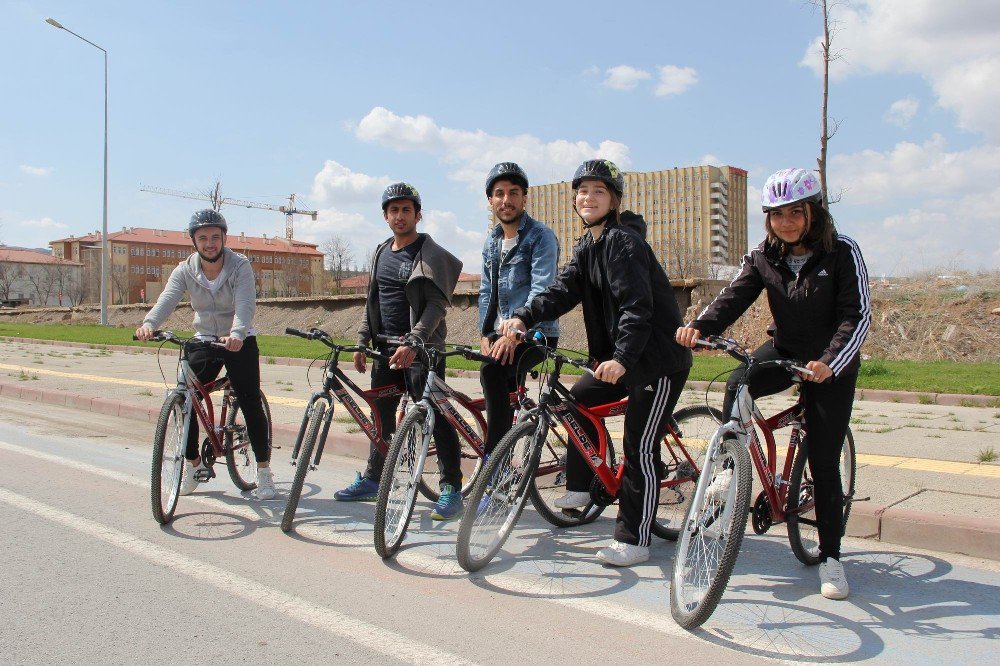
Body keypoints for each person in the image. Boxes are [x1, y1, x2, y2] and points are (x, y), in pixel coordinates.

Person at [675, 167, 871, 600]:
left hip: (831, 363)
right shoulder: (764, 254)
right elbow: (734, 295)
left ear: (813, 212)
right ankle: (730, 469)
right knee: (739, 382)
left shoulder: (842, 251)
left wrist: (829, 362)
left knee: (822, 459)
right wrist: (700, 326)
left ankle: (832, 558)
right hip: (785, 349)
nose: (786, 222)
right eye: (777, 214)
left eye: (795, 212)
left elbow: (855, 315)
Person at [501, 159, 692, 567]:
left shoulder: (625, 243)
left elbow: (637, 309)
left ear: (614, 200)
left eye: (599, 191)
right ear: (575, 199)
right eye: (583, 190)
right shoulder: (588, 246)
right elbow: (559, 292)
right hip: (623, 359)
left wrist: (622, 359)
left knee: (639, 445)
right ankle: (583, 485)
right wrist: (523, 316)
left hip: (656, 361)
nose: (588, 197)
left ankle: (635, 538)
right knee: (578, 400)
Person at [334, 182, 467, 520]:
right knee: (381, 416)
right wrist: (363, 340)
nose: (400, 215)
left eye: (406, 209)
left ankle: (451, 487)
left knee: (435, 416)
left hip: (422, 351)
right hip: (384, 350)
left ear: (418, 214)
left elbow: (437, 305)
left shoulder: (430, 252)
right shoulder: (380, 252)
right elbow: (373, 301)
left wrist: (415, 341)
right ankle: (375, 478)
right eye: (393, 210)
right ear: (385, 216)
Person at [136, 209, 275, 500]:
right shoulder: (185, 269)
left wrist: (237, 333)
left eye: (215, 237)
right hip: (205, 340)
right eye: (203, 238)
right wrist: (149, 324)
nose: (210, 243)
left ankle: (263, 473)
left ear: (224, 238)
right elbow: (167, 300)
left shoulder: (240, 266)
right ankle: (194, 466)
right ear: (194, 242)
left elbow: (245, 303)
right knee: (184, 398)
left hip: (239, 340)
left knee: (249, 400)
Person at [478, 162, 560, 462]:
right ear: (491, 200)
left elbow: (543, 290)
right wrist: (486, 334)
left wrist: (516, 333)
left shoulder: (540, 237)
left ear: (524, 198)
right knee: (491, 372)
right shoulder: (492, 241)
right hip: (501, 337)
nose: (506, 200)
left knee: (492, 371)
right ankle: (507, 440)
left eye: (514, 193)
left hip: (538, 334)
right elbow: (487, 292)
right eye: (499, 193)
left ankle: (495, 462)